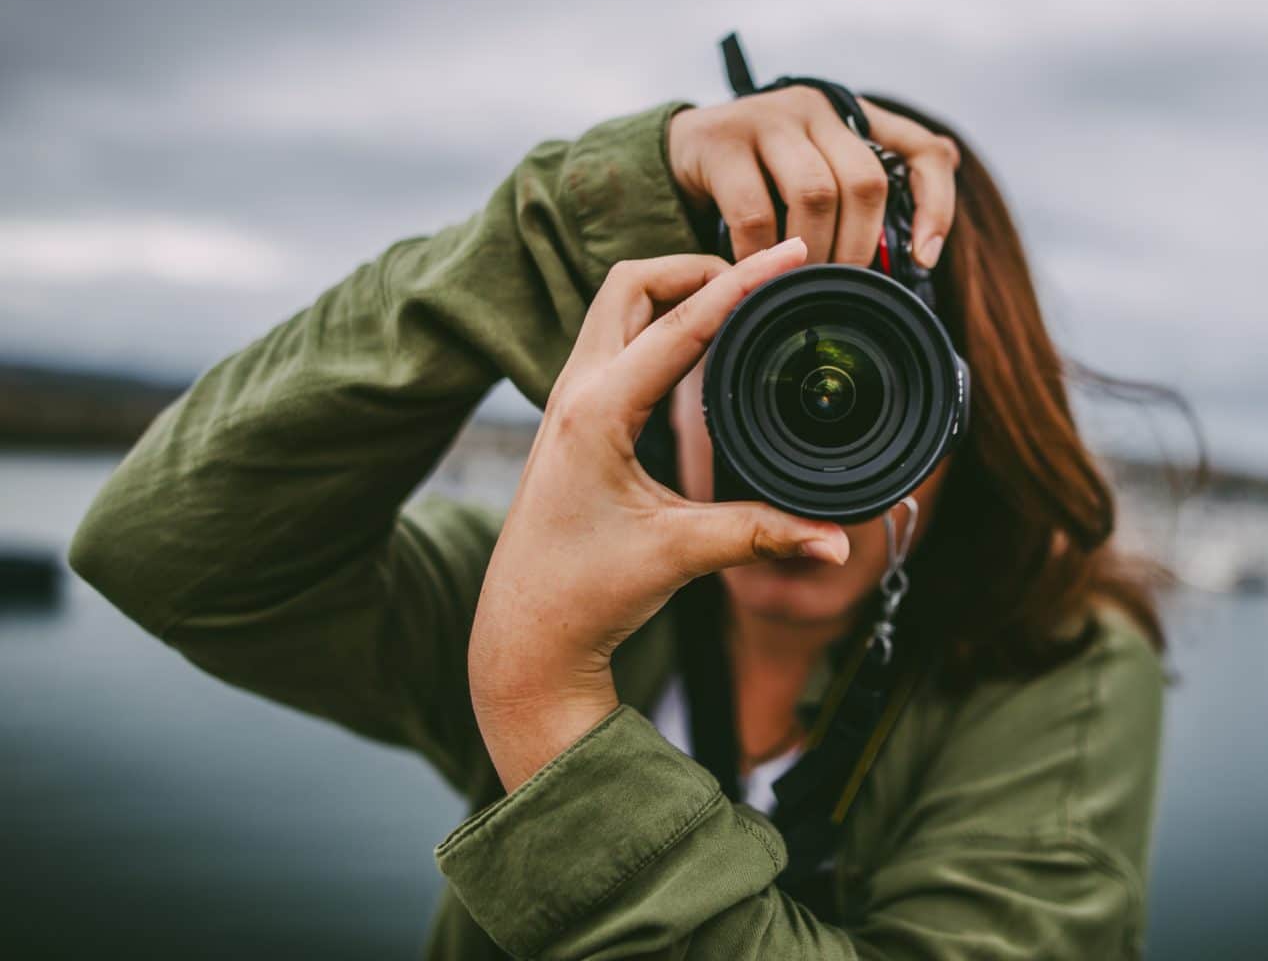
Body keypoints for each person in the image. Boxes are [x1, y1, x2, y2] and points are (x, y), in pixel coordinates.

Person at [71, 83, 1167, 959]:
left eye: (874, 390)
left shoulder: (1060, 668)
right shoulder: (542, 590)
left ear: (968, 419)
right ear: (664, 373)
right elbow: (168, 550)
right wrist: (550, 222)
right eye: (752, 363)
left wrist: (545, 708)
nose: (800, 464)